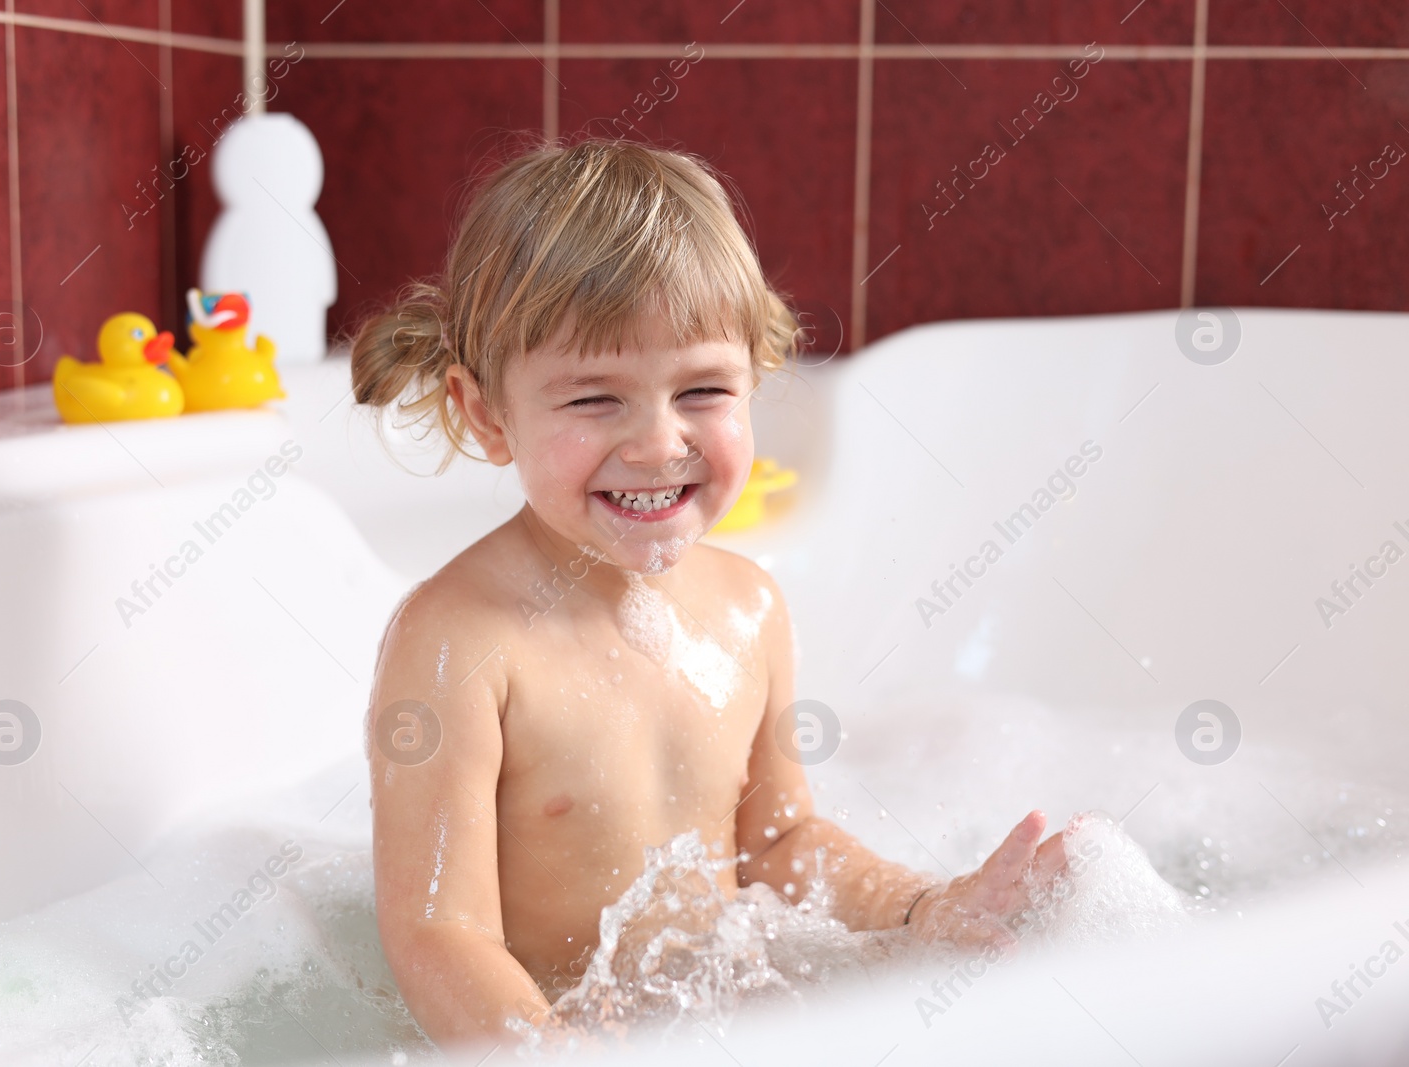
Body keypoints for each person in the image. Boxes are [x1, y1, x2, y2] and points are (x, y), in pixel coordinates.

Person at [346, 136, 1066, 1048]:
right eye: (593, 400)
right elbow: (439, 932)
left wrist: (922, 906)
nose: (656, 442)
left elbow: (777, 844)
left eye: (702, 389)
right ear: (487, 414)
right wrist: (553, 1049)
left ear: (755, 379)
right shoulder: (460, 639)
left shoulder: (748, 606)